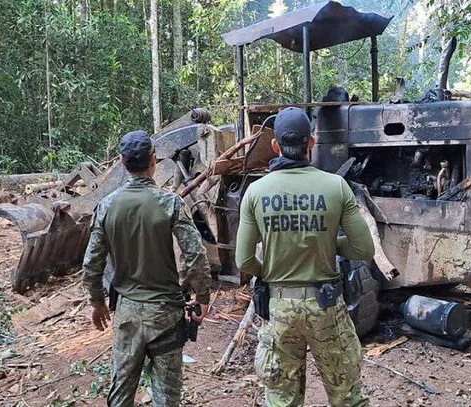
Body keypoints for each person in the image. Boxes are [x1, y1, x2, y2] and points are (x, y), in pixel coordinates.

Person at [235, 107, 375, 407]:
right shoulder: (336, 186)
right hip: (325, 307)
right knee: (347, 397)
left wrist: (270, 271)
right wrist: (330, 244)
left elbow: (244, 261)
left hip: (280, 307)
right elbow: (364, 249)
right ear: (311, 143)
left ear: (275, 146)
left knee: (281, 399)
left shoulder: (256, 192)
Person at [82, 130, 211, 407]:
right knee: (166, 396)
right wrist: (201, 298)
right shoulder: (170, 203)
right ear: (154, 160)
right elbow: (196, 255)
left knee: (121, 392)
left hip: (127, 314)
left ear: (121, 162)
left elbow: (92, 263)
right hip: (166, 314)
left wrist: (96, 302)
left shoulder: (106, 206)